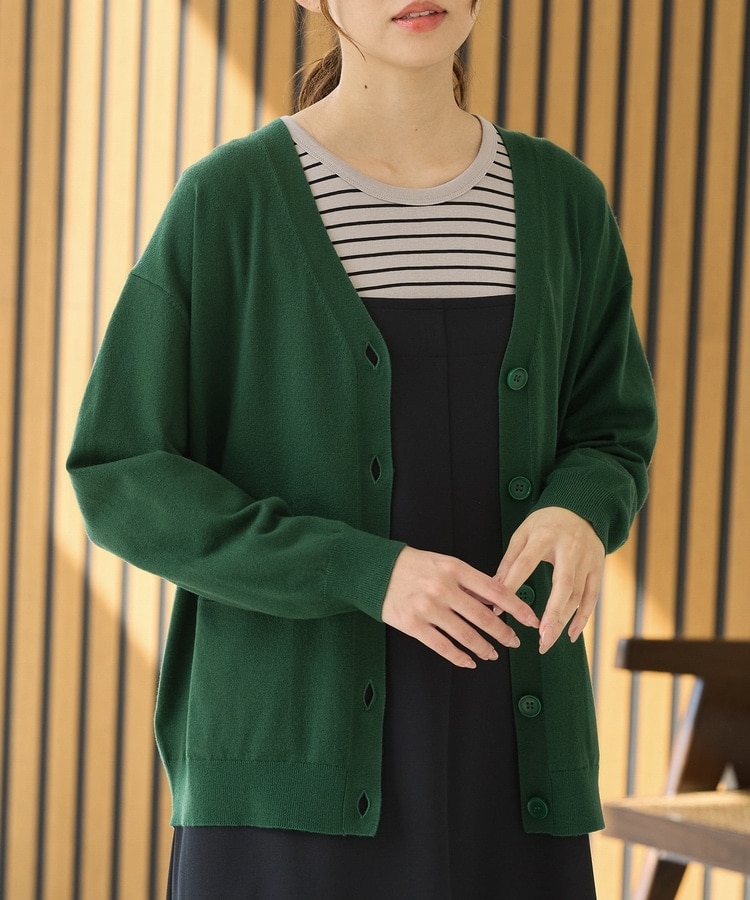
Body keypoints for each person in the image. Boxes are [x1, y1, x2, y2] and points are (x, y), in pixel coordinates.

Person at [67, 0, 657, 897]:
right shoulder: (230, 202)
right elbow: (121, 472)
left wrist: (580, 509)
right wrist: (360, 570)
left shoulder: (563, 201)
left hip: (510, 762)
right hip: (288, 771)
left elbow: (611, 432)